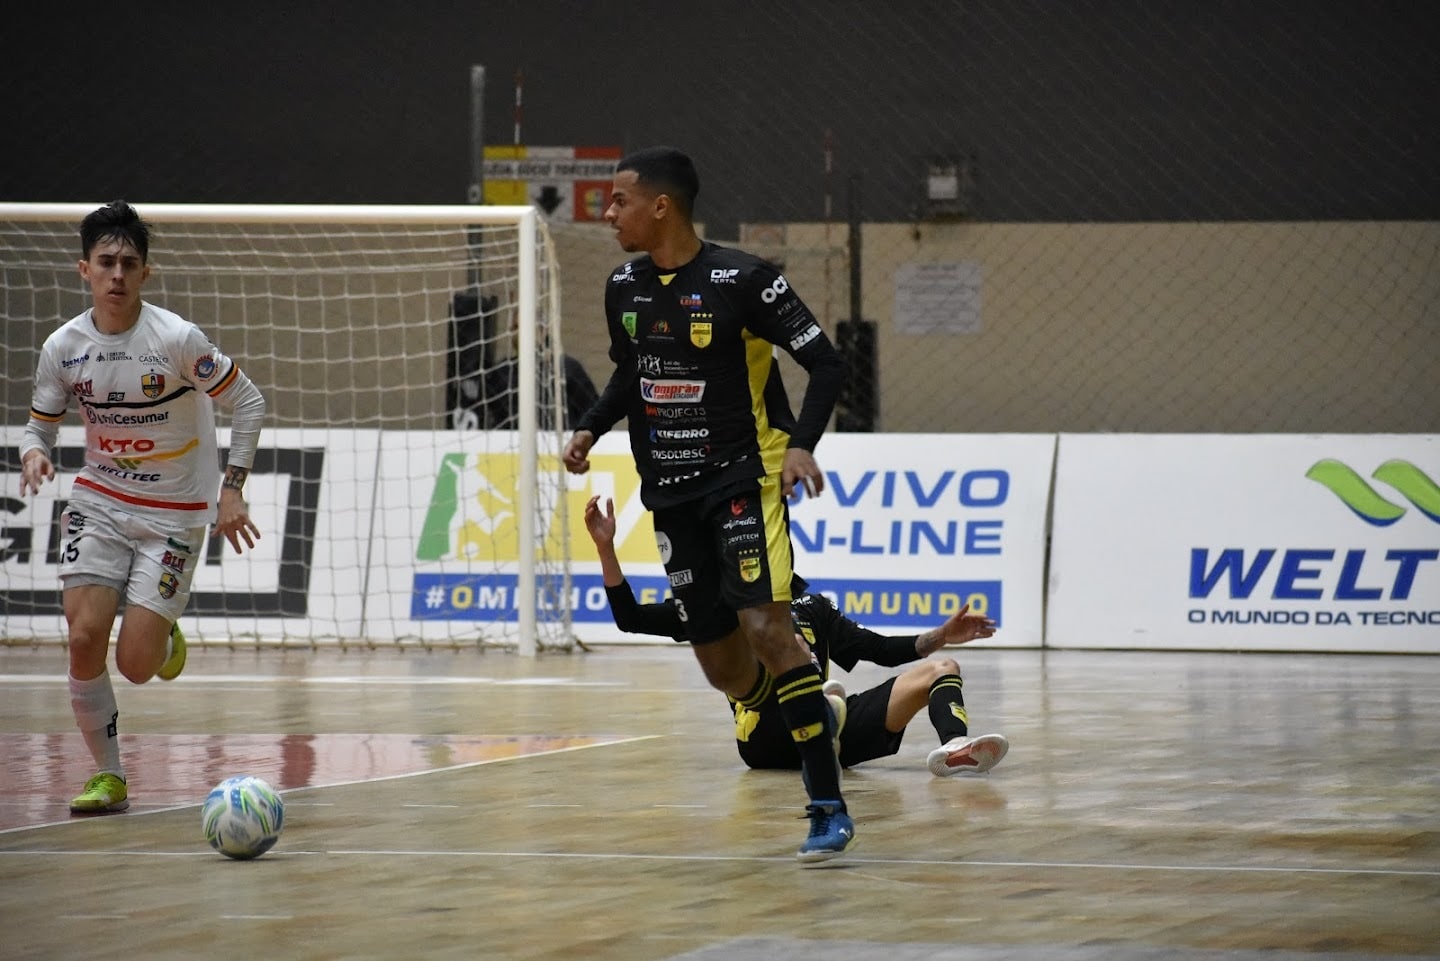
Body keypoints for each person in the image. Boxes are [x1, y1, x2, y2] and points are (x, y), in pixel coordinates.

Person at [563, 146, 853, 863]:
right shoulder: (623, 286)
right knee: (723, 670)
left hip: (742, 480)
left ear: (661, 205)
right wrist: (592, 425)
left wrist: (800, 444)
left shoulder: (744, 279)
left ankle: (826, 804)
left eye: (618, 200)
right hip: (669, 491)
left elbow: (826, 361)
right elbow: (633, 372)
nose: (608, 214)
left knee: (768, 628)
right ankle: (796, 708)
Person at [18, 200, 267, 815]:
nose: (118, 274)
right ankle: (110, 776)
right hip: (99, 499)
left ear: (146, 273)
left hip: (175, 514)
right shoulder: (63, 347)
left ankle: (159, 632)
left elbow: (250, 401)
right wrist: (33, 454)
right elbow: (38, 428)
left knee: (134, 665)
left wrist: (230, 489)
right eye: (106, 262)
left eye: (129, 262)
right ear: (84, 270)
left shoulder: (176, 339)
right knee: (81, 637)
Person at [584, 495, 1010, 776]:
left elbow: (879, 650)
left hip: (831, 735)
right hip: (766, 737)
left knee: (941, 669)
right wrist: (606, 548)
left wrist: (943, 635)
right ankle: (823, 707)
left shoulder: (814, 606)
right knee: (804, 666)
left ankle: (954, 748)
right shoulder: (720, 605)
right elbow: (631, 617)